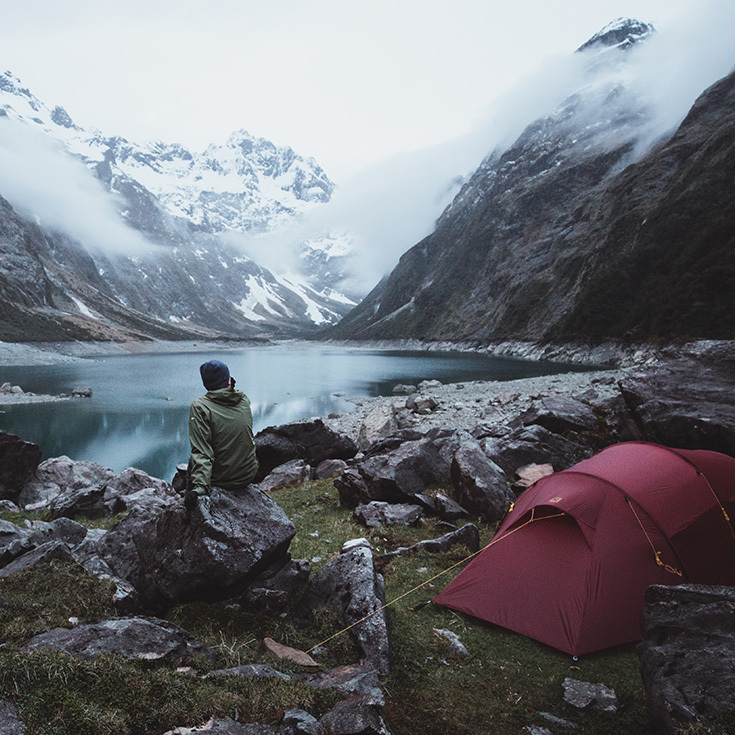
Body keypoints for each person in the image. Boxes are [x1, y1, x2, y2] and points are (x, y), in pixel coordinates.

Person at [185, 359, 259, 510]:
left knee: (192, 462)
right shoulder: (243, 399)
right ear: (229, 380)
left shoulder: (200, 406)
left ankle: (187, 513)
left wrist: (200, 488)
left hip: (224, 480)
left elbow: (202, 451)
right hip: (248, 474)